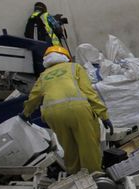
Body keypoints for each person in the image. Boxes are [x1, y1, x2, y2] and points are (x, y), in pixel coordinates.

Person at [20, 46, 112, 174]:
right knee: (88, 145)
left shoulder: (44, 75)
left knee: (69, 148)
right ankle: (94, 177)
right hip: (77, 109)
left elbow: (34, 97)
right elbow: (89, 93)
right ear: (66, 57)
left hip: (52, 114)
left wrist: (26, 113)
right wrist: (104, 115)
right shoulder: (74, 67)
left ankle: (75, 179)